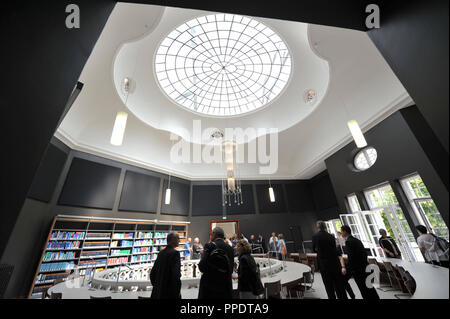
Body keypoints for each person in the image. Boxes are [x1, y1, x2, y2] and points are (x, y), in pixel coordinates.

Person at [340, 225, 379, 300]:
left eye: (341, 231)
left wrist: (347, 269)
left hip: (358, 270)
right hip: (365, 267)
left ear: (345, 231)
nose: (341, 233)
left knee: (363, 289)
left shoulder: (348, 242)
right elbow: (364, 254)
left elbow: (351, 258)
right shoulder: (357, 240)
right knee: (369, 288)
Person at [312, 221, 347, 299]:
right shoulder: (331, 236)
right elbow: (334, 248)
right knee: (338, 284)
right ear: (325, 227)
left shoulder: (315, 236)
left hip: (323, 264)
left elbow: (314, 249)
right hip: (334, 262)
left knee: (328, 286)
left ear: (317, 227)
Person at [198, 227, 235, 299]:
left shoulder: (209, 246)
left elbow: (202, 267)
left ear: (214, 234)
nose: (210, 235)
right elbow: (230, 269)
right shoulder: (230, 248)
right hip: (225, 287)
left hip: (210, 287)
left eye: (211, 234)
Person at [150, 232, 182, 299]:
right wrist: (177, 291)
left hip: (158, 292)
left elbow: (153, 273)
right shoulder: (175, 253)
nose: (179, 241)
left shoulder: (161, 253)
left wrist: (157, 286)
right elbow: (176, 275)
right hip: (169, 293)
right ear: (173, 239)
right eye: (178, 238)